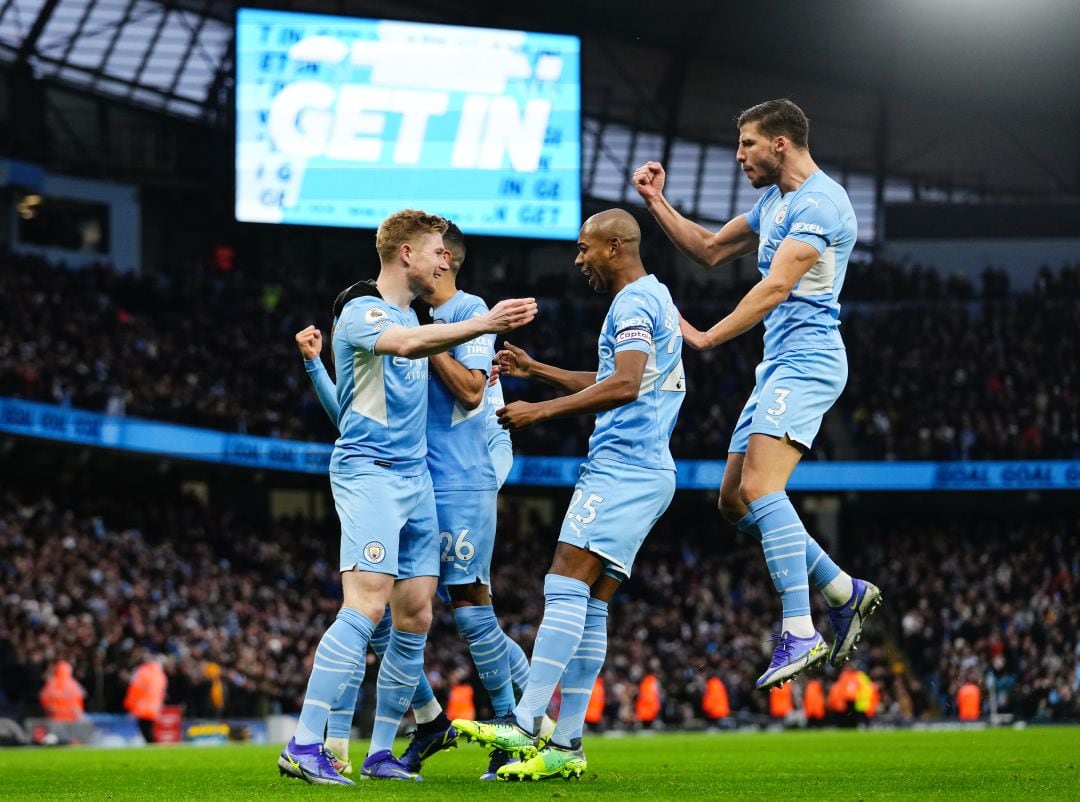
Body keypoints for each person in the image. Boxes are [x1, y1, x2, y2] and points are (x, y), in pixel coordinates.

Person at [277, 209, 537, 785]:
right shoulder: (363, 310)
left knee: (415, 615)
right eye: (438, 251)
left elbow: (362, 399)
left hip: (418, 480)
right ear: (406, 255)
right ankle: (304, 742)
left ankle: (379, 753)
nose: (447, 261)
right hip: (370, 474)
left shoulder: (411, 316)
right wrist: (483, 324)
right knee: (366, 608)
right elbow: (408, 344)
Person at [633, 98, 881, 689]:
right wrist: (657, 202)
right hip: (777, 365)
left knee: (761, 487)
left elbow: (775, 287)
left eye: (746, 143)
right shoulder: (774, 202)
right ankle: (843, 590)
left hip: (810, 359)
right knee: (733, 501)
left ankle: (800, 627)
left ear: (780, 144)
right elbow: (711, 250)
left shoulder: (822, 203)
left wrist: (709, 335)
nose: (738, 154)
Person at [452, 208, 686, 780]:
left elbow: (627, 386)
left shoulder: (631, 303)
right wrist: (540, 370)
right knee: (593, 601)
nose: (578, 259)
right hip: (648, 469)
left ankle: (528, 721)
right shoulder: (656, 298)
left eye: (585, 249)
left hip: (622, 467)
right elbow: (618, 376)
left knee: (563, 580)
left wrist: (541, 410)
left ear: (614, 246)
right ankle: (569, 744)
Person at [124, 654, 167, 744]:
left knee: (146, 731)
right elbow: (162, 693)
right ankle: (154, 747)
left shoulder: (141, 672)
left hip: (142, 707)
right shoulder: (160, 675)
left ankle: (155, 748)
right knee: (149, 730)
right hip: (154, 707)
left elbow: (135, 689)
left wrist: (129, 705)